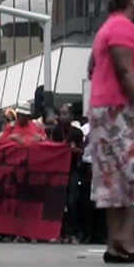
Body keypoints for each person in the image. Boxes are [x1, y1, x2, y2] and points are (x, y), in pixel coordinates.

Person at [85, 0, 134, 264]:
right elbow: (125, 72)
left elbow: (92, 67)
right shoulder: (123, 28)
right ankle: (126, 237)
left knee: (110, 177)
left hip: (102, 109)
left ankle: (115, 241)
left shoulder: (105, 29)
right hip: (120, 109)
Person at [48, 104, 85, 243]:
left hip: (72, 170)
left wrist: (74, 151)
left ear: (71, 116)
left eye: (66, 114)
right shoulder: (55, 132)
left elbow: (83, 151)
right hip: (58, 171)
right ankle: (58, 232)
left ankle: (73, 232)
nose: (63, 117)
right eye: (61, 114)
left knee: (72, 201)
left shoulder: (77, 133)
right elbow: (50, 148)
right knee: (58, 202)